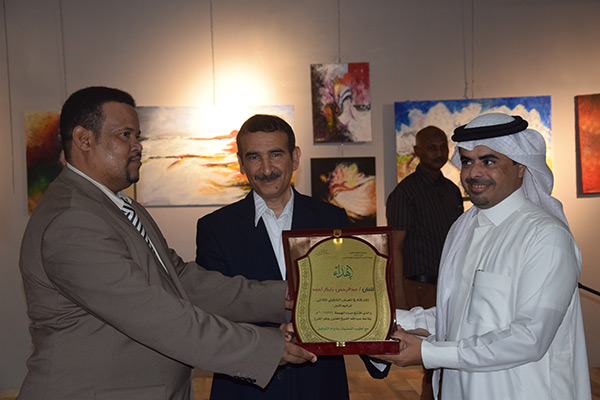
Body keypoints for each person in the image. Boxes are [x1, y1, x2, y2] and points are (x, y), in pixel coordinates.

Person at [17, 87, 316, 400]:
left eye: (138, 136)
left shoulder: (122, 209)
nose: (138, 146)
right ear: (84, 139)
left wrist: (286, 295)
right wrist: (265, 347)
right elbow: (156, 316)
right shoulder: (72, 220)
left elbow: (183, 281)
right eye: (125, 135)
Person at [376, 113, 591, 399]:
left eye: (488, 161)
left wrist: (429, 352)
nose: (473, 173)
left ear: (520, 167)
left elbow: (530, 337)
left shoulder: (546, 236)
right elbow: (456, 315)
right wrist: (374, 318)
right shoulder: (464, 228)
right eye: (467, 162)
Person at [196, 114, 350, 400]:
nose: (266, 169)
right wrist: (266, 343)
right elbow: (213, 311)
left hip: (318, 382)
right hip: (245, 387)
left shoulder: (332, 220)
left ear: (295, 157)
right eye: (254, 157)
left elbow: (348, 297)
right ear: (241, 163)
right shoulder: (215, 228)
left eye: (276, 154)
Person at [385, 126, 463, 399]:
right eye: (432, 148)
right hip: (419, 287)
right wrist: (400, 299)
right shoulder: (405, 193)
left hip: (450, 285)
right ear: (417, 151)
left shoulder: (452, 190)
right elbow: (394, 247)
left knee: (446, 356)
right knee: (430, 360)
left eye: (443, 147)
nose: (439, 153)